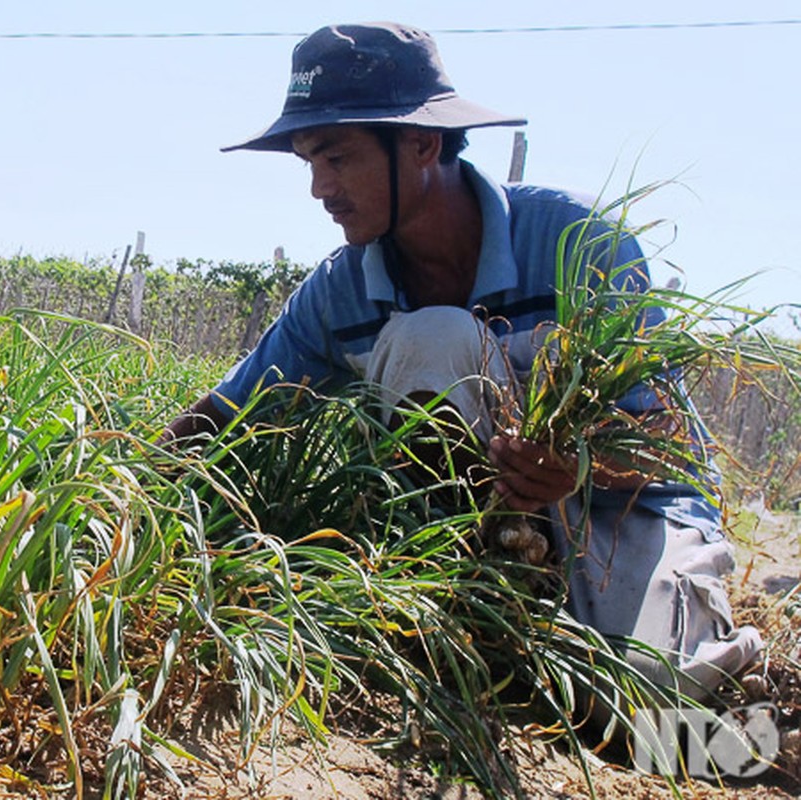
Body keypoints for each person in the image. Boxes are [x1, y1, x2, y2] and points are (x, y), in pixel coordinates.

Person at [163, 22, 762, 698]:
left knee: (647, 693)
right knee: (435, 336)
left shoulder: (578, 244)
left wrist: (575, 467)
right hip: (464, 534)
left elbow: (666, 441)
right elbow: (225, 416)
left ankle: (727, 661)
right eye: (308, 162)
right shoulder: (340, 289)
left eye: (336, 158)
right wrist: (113, 484)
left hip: (621, 510)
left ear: (421, 143)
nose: (318, 188)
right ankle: (470, 593)